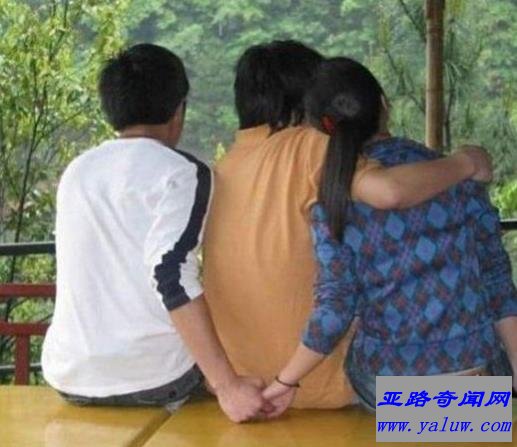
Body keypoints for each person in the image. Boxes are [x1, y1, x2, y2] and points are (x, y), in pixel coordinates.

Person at [203, 40, 494, 409]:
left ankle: (468, 415)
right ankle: (467, 416)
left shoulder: (222, 167)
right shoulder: (309, 146)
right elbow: (389, 192)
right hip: (320, 384)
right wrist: (466, 163)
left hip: (246, 386)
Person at [262, 57, 517, 415]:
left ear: (321, 130)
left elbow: (336, 309)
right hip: (474, 371)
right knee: (476, 381)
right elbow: (497, 281)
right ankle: (466, 413)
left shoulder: (332, 201)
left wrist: (284, 382)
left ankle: (428, 418)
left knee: (360, 346)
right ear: (384, 103)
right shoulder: (457, 176)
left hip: (387, 384)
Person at [41, 43, 272, 423]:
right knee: (264, 367)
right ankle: (388, 420)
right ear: (178, 111)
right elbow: (170, 272)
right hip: (158, 378)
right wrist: (227, 385)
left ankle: (389, 417)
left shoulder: (78, 171)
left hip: (70, 376)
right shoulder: (181, 172)